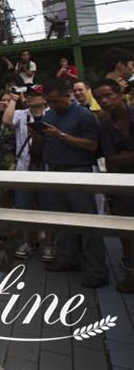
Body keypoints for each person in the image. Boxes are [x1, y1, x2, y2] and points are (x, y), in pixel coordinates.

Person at [40, 77, 107, 288]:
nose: (53, 105)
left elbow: (91, 145)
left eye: (56, 100)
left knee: (87, 223)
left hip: (78, 171)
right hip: (55, 172)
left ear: (67, 95)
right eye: (49, 101)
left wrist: (60, 135)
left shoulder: (84, 115)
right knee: (62, 220)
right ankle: (67, 259)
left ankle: (96, 271)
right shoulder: (49, 115)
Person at [2, 84, 54, 261]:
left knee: (48, 208)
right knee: (23, 207)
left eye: (35, 94)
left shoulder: (52, 115)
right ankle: (26, 242)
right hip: (24, 167)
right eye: (29, 94)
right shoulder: (21, 114)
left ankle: (49, 245)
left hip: (47, 168)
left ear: (45, 98)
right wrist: (14, 101)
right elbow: (6, 121)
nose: (30, 97)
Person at [92, 78, 134, 292]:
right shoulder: (105, 125)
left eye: (108, 95)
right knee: (125, 228)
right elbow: (109, 159)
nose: (104, 100)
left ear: (120, 93)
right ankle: (131, 273)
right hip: (120, 184)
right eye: (99, 98)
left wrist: (122, 158)